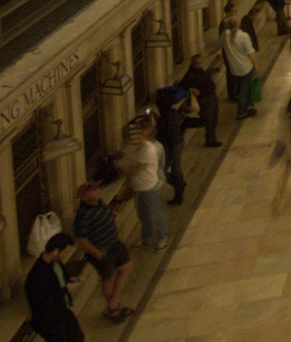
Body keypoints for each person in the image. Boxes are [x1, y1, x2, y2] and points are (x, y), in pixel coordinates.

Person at [71, 182, 133, 322]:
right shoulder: (82, 215)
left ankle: (113, 304)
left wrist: (113, 218)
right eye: (94, 190)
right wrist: (97, 254)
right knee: (109, 278)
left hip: (114, 242)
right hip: (103, 251)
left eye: (97, 188)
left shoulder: (99, 202)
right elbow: (80, 239)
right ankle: (114, 308)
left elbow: (106, 213)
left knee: (126, 267)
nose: (98, 190)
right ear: (85, 196)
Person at [120, 118, 169, 251]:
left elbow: (137, 170)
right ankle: (146, 238)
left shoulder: (149, 149)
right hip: (138, 188)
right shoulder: (134, 147)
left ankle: (163, 238)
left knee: (155, 213)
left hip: (149, 187)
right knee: (143, 215)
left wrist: (120, 167)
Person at [26, 233, 84, 342]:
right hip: (49, 320)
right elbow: (45, 300)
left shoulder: (56, 263)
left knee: (78, 338)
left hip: (62, 311)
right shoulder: (38, 274)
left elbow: (62, 280)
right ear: (55, 251)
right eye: (64, 252)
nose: (65, 255)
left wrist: (69, 281)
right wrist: (66, 289)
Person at [219, 8, 258, 119]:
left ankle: (250, 106)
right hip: (245, 66)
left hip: (234, 68)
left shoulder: (225, 35)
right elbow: (250, 53)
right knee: (245, 89)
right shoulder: (243, 36)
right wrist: (255, 65)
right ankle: (241, 111)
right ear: (238, 25)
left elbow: (220, 43)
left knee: (244, 87)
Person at [178, 53, 221, 147]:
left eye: (200, 63)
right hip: (204, 100)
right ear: (193, 64)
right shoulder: (190, 75)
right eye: (196, 63)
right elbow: (183, 85)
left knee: (213, 119)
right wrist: (193, 90)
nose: (199, 65)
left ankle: (211, 139)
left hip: (211, 97)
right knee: (207, 120)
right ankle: (187, 123)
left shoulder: (201, 71)